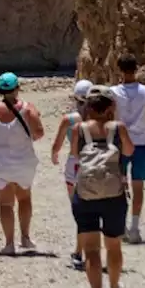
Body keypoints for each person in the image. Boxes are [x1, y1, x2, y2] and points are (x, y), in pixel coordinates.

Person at [69, 85, 134, 288]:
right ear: (109, 107)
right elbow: (128, 152)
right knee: (113, 245)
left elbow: (76, 156)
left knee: (91, 249)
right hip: (114, 195)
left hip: (85, 194)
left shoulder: (79, 129)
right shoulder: (118, 128)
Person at [0, 72, 45, 255]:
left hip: (0, 164)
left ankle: (9, 244)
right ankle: (25, 238)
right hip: (23, 161)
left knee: (5, 204)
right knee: (24, 198)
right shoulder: (28, 108)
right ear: (17, 88)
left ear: (0, 90)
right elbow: (39, 133)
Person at [111, 53, 145, 243]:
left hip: (120, 143)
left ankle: (120, 226)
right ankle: (135, 228)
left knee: (118, 185)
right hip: (140, 142)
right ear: (136, 68)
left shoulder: (114, 92)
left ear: (119, 70)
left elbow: (111, 116)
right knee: (138, 186)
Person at [51, 79, 93, 270]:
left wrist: (54, 155)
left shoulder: (69, 120)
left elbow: (57, 146)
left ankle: (79, 252)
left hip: (74, 165)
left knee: (80, 210)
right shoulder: (102, 119)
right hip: (96, 162)